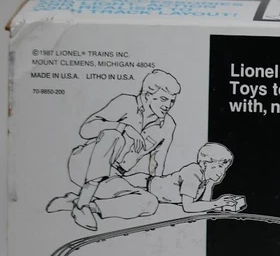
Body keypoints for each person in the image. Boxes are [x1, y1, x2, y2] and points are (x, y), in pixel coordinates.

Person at [47, 70, 181, 230]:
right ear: (147, 95)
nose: (168, 105)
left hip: (113, 176)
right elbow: (86, 130)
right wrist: (123, 127)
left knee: (150, 202)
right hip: (84, 164)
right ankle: (82, 205)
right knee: (113, 135)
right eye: (164, 99)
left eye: (172, 101)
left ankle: (81, 203)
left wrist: (157, 188)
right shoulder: (125, 102)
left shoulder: (168, 125)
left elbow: (157, 163)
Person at [48, 142, 244, 226]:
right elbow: (189, 206)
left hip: (142, 188)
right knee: (146, 202)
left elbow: (202, 205)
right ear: (205, 163)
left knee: (148, 204)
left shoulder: (203, 179)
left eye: (224, 167)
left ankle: (79, 202)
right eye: (219, 166)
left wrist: (211, 186)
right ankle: (75, 201)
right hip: (138, 183)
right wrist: (218, 203)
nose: (222, 171)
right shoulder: (193, 173)